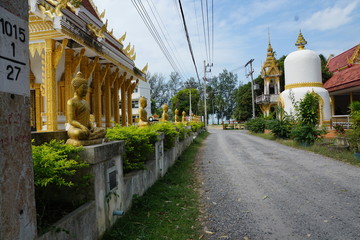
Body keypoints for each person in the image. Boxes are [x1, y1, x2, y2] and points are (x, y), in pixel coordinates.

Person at [67, 72, 106, 144]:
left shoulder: (86, 102)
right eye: (83, 89)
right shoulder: (71, 102)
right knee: (79, 133)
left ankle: (89, 138)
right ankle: (95, 139)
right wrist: (82, 127)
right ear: (76, 88)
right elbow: (71, 120)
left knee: (103, 130)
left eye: (86, 89)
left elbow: (87, 119)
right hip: (76, 128)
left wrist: (91, 126)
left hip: (86, 128)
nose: (86, 91)